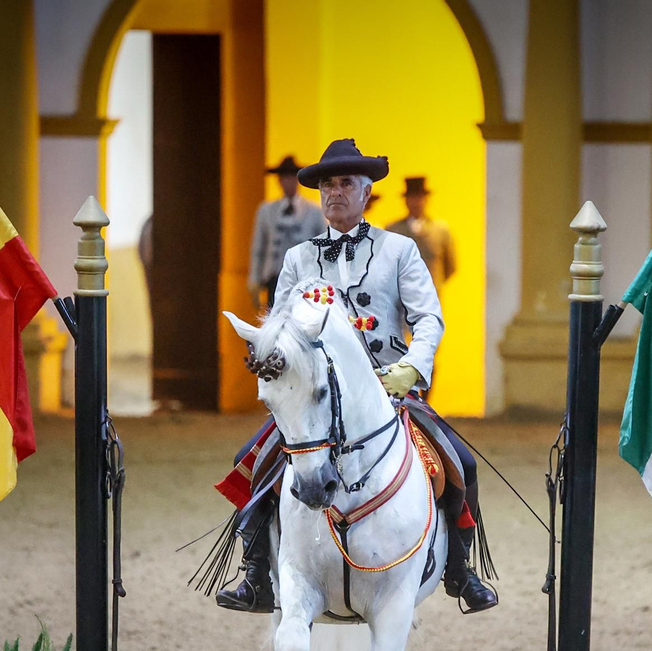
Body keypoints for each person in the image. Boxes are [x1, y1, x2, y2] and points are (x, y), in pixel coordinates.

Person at [212, 138, 497, 615]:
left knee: (460, 462)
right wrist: (271, 360)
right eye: (327, 185)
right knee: (252, 462)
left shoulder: (399, 250)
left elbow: (429, 319)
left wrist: (412, 367)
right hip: (316, 397)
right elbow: (279, 326)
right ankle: (255, 574)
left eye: (346, 183)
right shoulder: (298, 258)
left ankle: (460, 571)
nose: (335, 192)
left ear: (366, 194)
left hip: (387, 392)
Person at [248, 155, 327, 311]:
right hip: (274, 277)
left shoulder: (314, 212)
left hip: (305, 279)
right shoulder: (266, 211)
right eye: (284, 178)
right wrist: (254, 281)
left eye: (292, 178)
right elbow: (258, 248)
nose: (288, 182)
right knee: (275, 318)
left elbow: (324, 247)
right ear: (279, 180)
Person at [385, 177, 456, 289]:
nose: (416, 203)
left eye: (419, 198)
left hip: (431, 295)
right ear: (406, 201)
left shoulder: (440, 230)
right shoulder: (393, 230)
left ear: (426, 200)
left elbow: (450, 267)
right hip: (402, 296)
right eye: (412, 198)